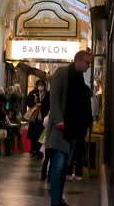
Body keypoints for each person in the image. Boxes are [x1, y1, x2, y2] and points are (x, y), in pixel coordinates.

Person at [45, 50, 92, 206]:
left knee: (64, 166)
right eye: (87, 62)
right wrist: (59, 120)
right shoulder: (62, 73)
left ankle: (58, 198)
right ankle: (55, 201)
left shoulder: (80, 80)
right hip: (61, 129)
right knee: (58, 165)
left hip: (73, 130)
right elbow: (54, 98)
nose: (88, 66)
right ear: (78, 60)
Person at [27, 79, 50, 159]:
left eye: (42, 84)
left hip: (43, 119)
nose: (41, 86)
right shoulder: (33, 93)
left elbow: (50, 105)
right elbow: (28, 103)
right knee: (33, 135)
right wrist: (35, 103)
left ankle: (40, 151)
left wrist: (42, 106)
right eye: (39, 84)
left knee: (42, 136)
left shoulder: (48, 94)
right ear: (37, 86)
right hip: (34, 119)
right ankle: (34, 150)